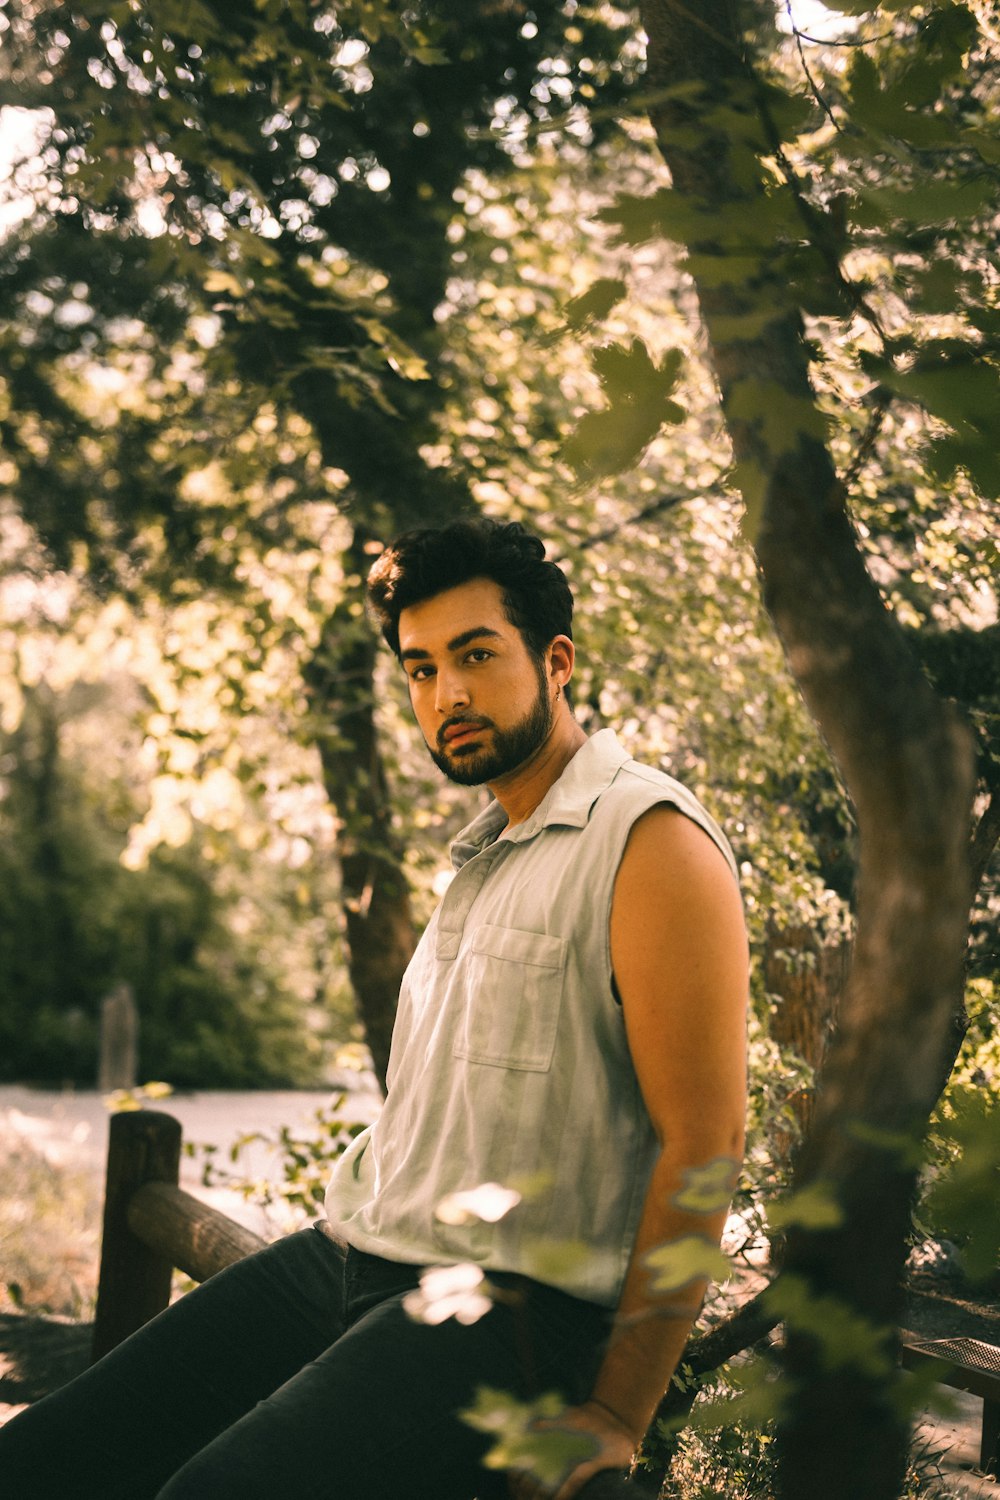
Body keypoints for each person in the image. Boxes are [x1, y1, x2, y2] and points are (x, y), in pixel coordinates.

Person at [0, 519, 747, 1500]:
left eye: (476, 656)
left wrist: (616, 1415)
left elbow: (704, 1143)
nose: (449, 695)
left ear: (555, 661)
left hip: (507, 1310)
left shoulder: (645, 838)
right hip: (349, 1258)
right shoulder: (482, 855)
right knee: (46, 1459)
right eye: (421, 669)